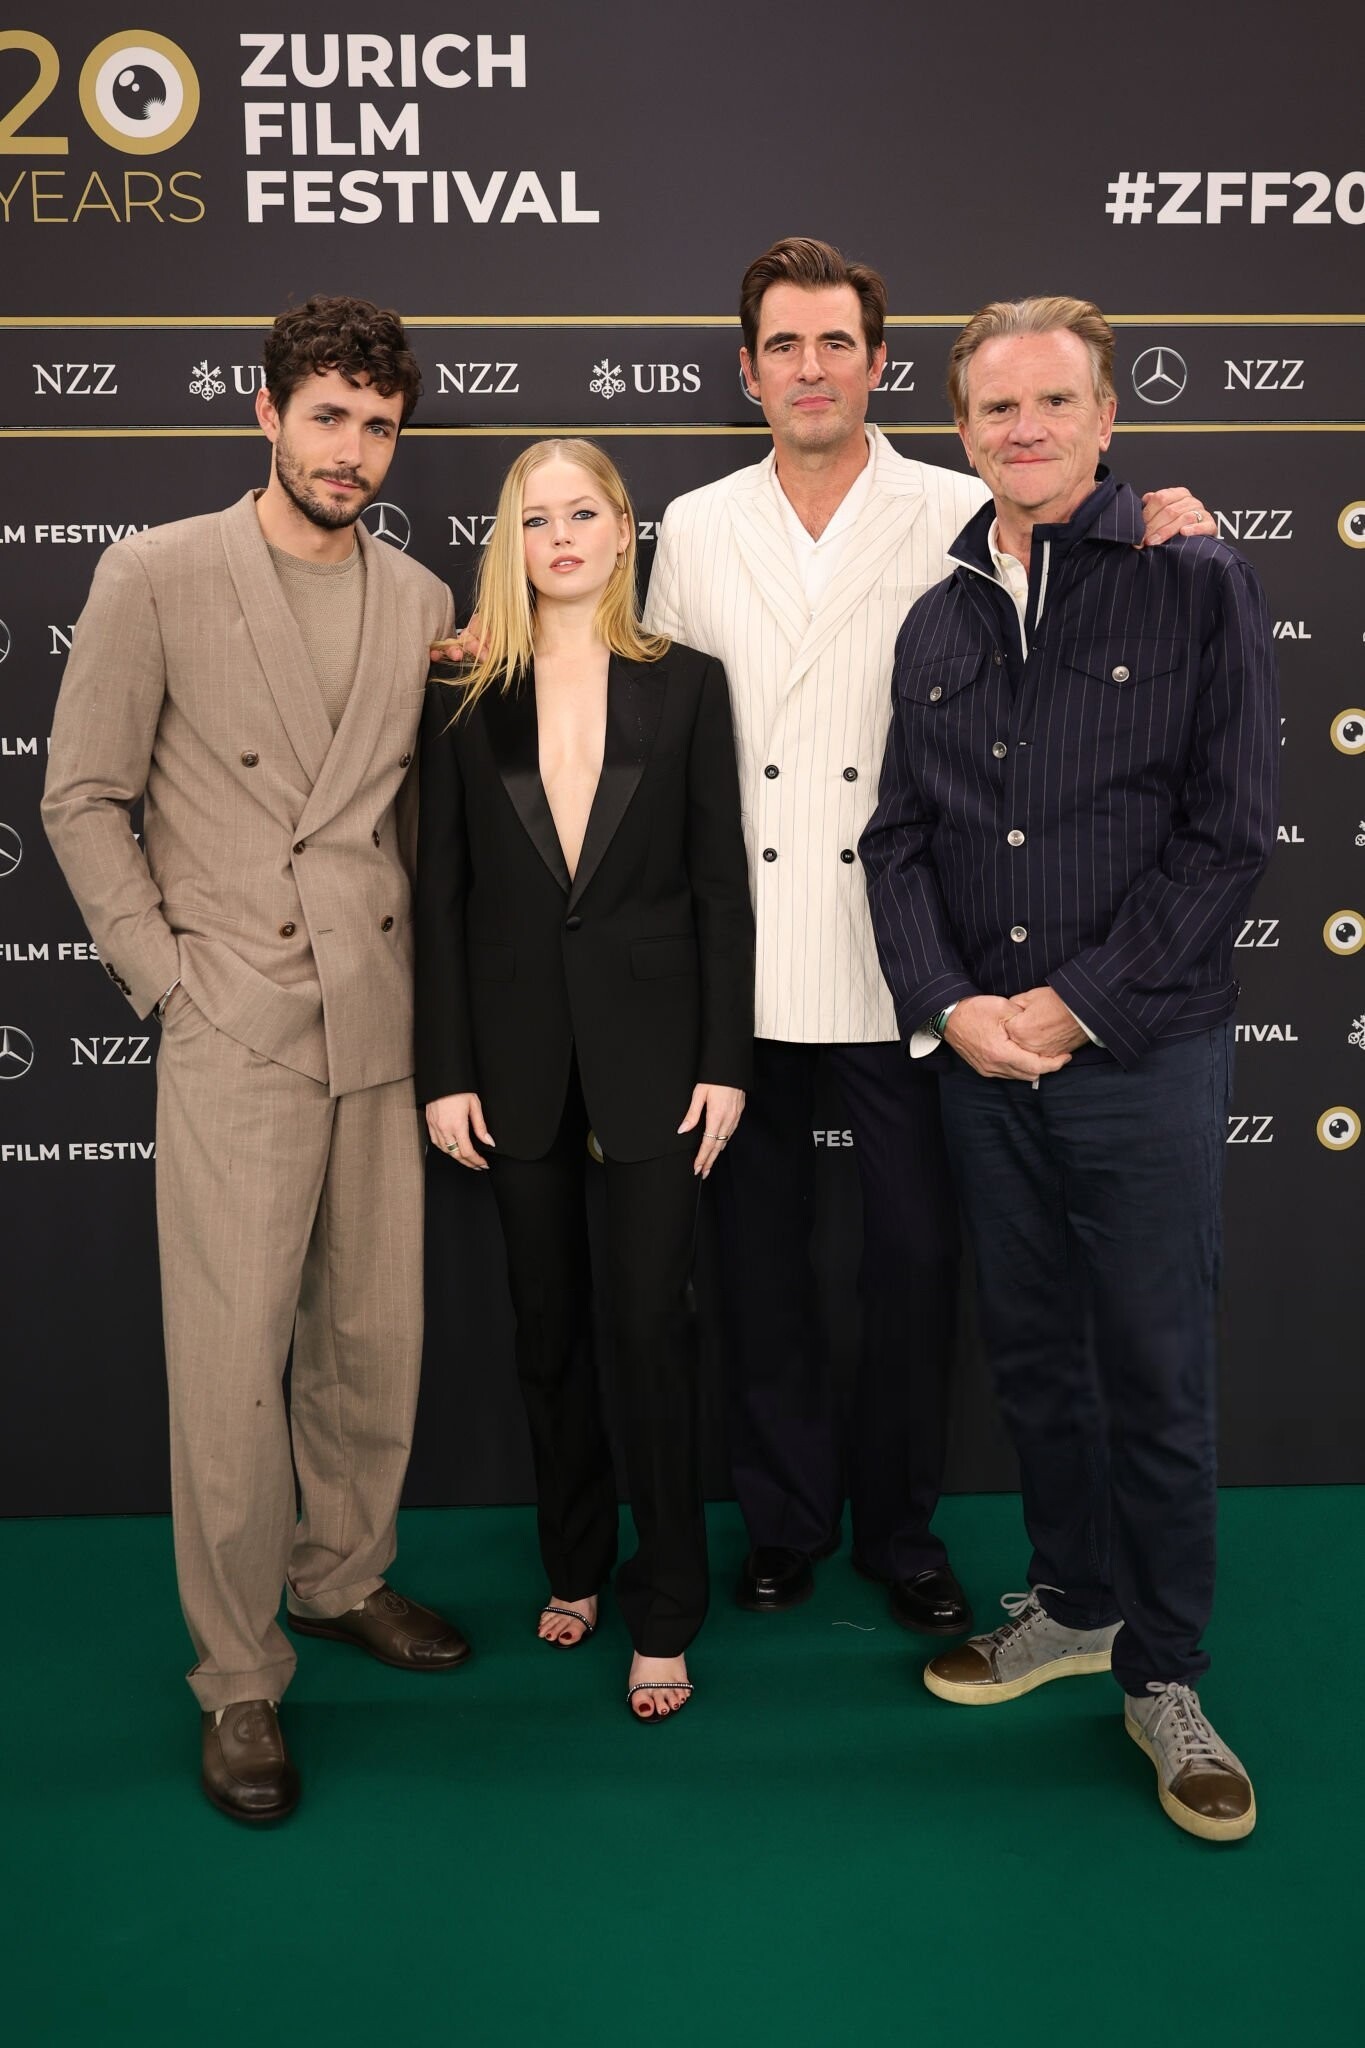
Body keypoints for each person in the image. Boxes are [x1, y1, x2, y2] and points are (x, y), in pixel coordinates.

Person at [641, 238, 1215, 1630]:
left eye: (836, 342)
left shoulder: (964, 504)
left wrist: (1176, 519)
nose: (811, 368)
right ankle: (784, 1520)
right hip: (743, 958)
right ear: (748, 371)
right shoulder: (696, 523)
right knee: (759, 1268)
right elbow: (644, 705)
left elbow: (1089, 552)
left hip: (919, 962)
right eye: (784, 345)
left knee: (912, 1268)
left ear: (881, 365)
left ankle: (899, 1531)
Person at [43, 295, 470, 1826]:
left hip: (379, 1015)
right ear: (268, 412)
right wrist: (169, 980)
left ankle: (340, 1575)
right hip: (234, 1018)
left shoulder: (421, 597)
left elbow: (419, 823)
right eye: (328, 416)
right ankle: (236, 1673)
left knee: (372, 1336)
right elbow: (80, 797)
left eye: (378, 426)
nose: (352, 450)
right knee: (230, 1372)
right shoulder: (155, 571)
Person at [860, 296, 1278, 1841]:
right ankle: (1078, 1604)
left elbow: (1228, 834)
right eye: (996, 408)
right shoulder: (938, 617)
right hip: (982, 1063)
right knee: (1035, 1357)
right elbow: (898, 841)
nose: (1023, 429)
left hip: (1140, 1055)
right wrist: (951, 1004)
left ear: (1107, 418)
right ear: (961, 428)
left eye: (1052, 403)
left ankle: (1165, 1675)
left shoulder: (1194, 581)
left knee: (1154, 1372)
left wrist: (1074, 1006)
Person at [416, 439, 753, 1722]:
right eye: (533, 517)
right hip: (510, 1059)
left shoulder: (688, 684)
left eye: (582, 512)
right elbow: (439, 894)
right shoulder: (460, 688)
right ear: (509, 540)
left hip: (660, 1055)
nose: (559, 536)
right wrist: (445, 1069)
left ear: (623, 529)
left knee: (651, 1329)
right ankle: (574, 1559)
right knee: (547, 1325)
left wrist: (725, 1060)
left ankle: (667, 1607)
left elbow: (719, 884)